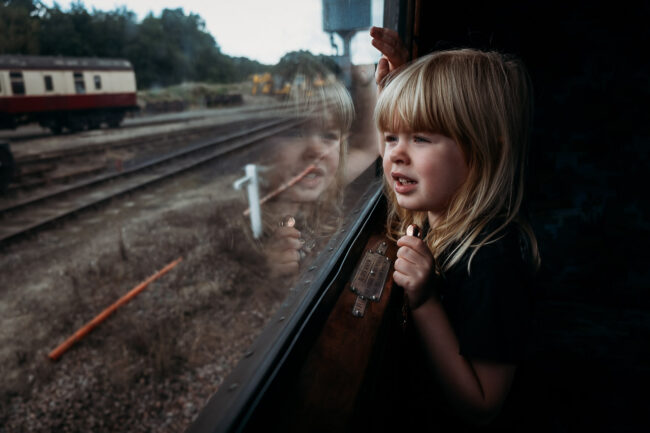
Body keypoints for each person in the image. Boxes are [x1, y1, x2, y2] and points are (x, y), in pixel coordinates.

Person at [370, 27, 540, 430]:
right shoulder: (433, 217)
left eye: (421, 138)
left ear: (484, 148)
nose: (395, 153)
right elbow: (416, 156)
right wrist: (400, 91)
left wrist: (425, 300)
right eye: (390, 137)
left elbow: (484, 405)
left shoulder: (492, 260)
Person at [241, 77, 355, 280]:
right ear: (261, 146)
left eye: (328, 136)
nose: (316, 150)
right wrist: (268, 271)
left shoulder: (326, 205)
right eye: (295, 133)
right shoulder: (244, 230)